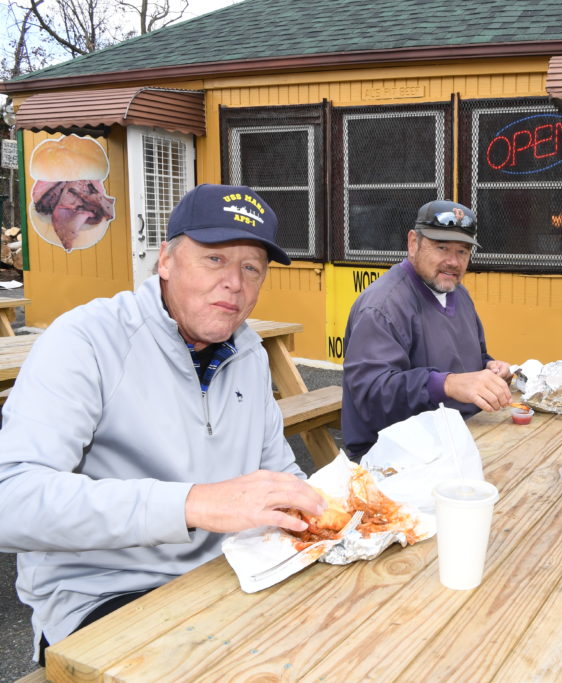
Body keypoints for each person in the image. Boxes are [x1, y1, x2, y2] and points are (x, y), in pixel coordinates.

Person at [0, 184, 327, 665]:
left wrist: (333, 512)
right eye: (215, 259)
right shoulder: (86, 340)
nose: (235, 282)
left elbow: (280, 473)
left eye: (251, 267)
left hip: (230, 575)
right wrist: (192, 503)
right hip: (105, 597)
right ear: (166, 261)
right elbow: (12, 501)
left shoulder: (250, 353)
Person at [342, 199, 512, 459]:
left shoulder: (459, 294)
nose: (453, 262)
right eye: (441, 247)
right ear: (413, 243)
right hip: (392, 457)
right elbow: (371, 394)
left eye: (463, 251)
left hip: (460, 439)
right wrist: (447, 384)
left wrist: (489, 369)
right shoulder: (383, 306)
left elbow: (473, 358)